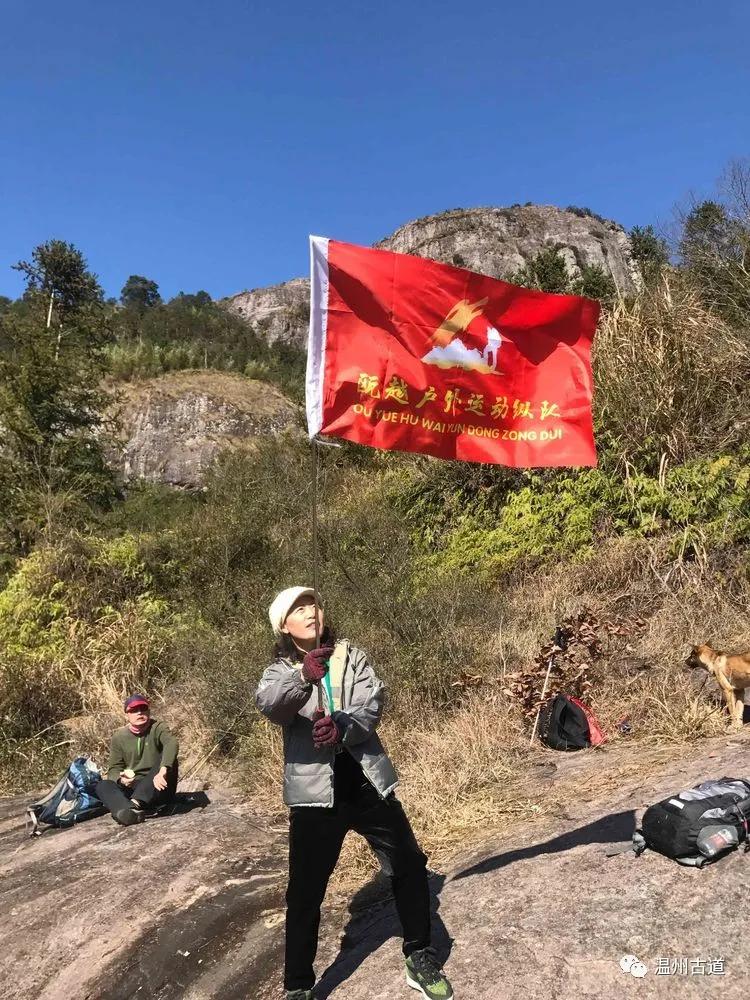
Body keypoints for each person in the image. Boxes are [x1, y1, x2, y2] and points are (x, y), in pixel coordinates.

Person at [255, 586, 453, 1000]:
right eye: (298, 609)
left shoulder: (351, 654)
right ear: (284, 625)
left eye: (313, 605)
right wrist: (302, 675)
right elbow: (271, 704)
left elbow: (372, 703)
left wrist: (343, 727)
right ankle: (298, 987)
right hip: (313, 794)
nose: (310, 612)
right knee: (305, 893)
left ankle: (419, 953)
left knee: (409, 863)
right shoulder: (278, 670)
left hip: (366, 779)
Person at [95, 694, 179, 826]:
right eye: (134, 710)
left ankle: (131, 806)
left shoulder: (158, 727)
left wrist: (162, 772)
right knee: (103, 785)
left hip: (158, 786)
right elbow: (114, 769)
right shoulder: (119, 737)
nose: (139, 712)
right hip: (133, 787)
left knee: (166, 756)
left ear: (149, 711)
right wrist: (121, 780)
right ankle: (129, 812)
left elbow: (171, 743)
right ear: (126, 714)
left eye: (143, 708)